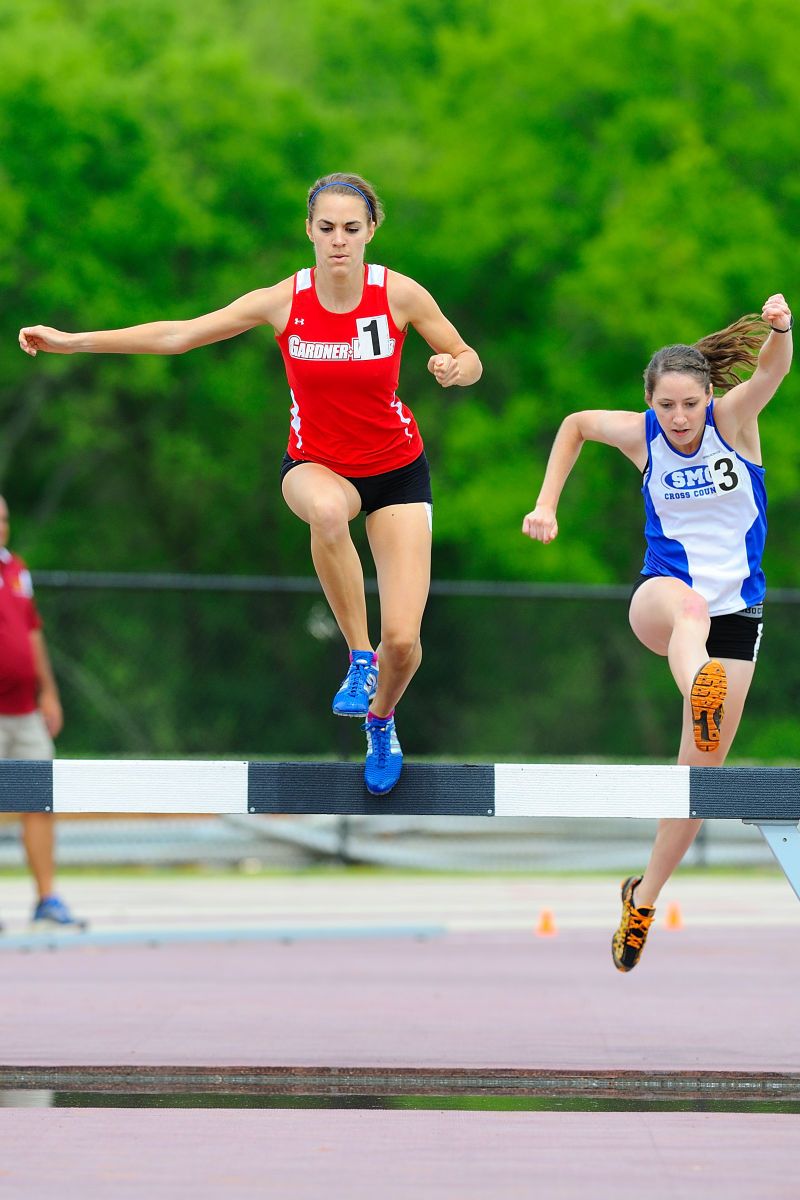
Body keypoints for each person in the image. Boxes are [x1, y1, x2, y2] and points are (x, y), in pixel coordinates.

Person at [18, 172, 482, 795]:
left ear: (372, 231)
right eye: (326, 229)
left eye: (351, 229)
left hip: (397, 470)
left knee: (406, 640)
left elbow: (468, 358)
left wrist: (454, 369)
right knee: (324, 513)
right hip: (318, 465)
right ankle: (359, 659)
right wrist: (76, 341)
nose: (338, 241)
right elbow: (182, 334)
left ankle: (381, 718)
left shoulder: (399, 295)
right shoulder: (283, 301)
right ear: (309, 232)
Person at [522, 294, 793, 971]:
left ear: (708, 398)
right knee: (690, 614)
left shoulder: (733, 421)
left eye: (688, 405)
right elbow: (576, 425)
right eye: (665, 406)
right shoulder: (641, 435)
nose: (678, 419)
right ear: (650, 401)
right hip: (663, 602)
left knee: (697, 782)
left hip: (739, 614)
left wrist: (782, 329)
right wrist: (545, 503)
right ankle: (697, 681)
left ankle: (642, 898)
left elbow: (772, 372)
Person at [0, 495, 87, 931]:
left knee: (40, 801)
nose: (1, 526)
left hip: (24, 711)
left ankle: (46, 898)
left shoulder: (16, 570)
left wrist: (48, 693)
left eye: (4, 518)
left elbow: (32, 632)